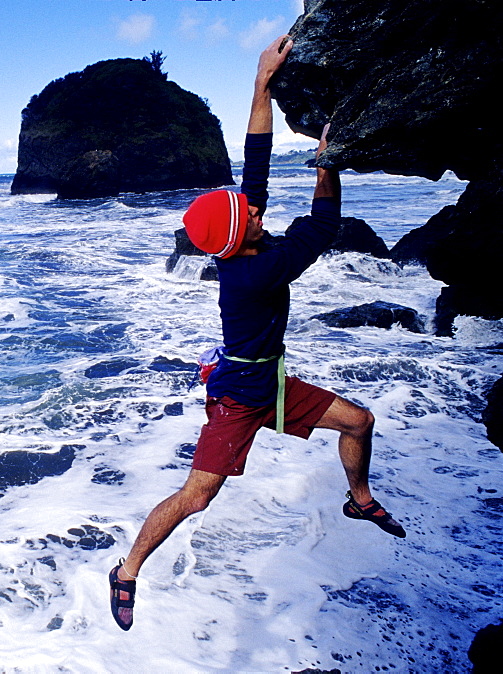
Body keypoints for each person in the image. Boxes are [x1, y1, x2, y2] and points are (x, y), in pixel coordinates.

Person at [108, 35, 406, 632]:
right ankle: (128, 569)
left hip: (268, 379)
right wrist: (328, 162)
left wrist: (261, 83)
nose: (258, 209)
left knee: (358, 420)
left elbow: (257, 159)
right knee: (198, 494)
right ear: (242, 236)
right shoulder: (258, 272)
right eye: (251, 215)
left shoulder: (241, 240)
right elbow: (324, 225)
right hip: (240, 397)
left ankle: (359, 499)